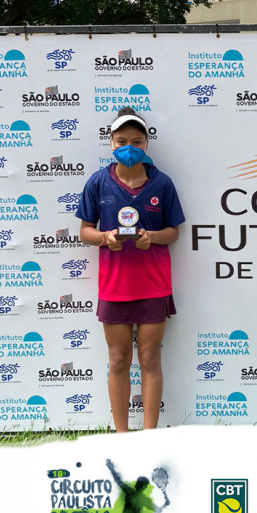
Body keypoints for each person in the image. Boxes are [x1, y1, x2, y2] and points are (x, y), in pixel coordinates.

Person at [76, 107, 185, 432]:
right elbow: (85, 231)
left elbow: (174, 232)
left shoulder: (162, 183)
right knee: (118, 359)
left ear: (146, 144)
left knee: (149, 358)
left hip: (153, 285)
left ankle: (149, 437)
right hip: (114, 287)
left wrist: (152, 237)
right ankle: (122, 437)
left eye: (136, 141)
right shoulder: (98, 182)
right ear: (111, 143)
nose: (129, 147)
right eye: (122, 141)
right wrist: (104, 238)